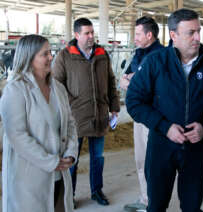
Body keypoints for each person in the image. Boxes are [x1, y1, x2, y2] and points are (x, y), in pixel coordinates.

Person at [126, 9, 203, 212]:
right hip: (161, 146)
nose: (197, 38)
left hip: (196, 148)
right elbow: (134, 101)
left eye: (198, 31)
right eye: (190, 32)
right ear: (173, 35)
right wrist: (164, 127)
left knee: (192, 206)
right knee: (156, 205)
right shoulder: (156, 62)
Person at [0, 34, 78, 212]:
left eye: (51, 52)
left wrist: (71, 153)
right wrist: (50, 162)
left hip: (60, 173)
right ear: (29, 58)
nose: (51, 57)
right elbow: (17, 136)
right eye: (45, 54)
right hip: (29, 178)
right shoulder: (15, 90)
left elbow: (71, 123)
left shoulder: (58, 88)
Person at [52, 18, 121, 207]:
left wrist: (114, 107)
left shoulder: (101, 54)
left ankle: (96, 191)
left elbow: (111, 81)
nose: (91, 36)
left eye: (92, 32)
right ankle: (69, 195)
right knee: (72, 159)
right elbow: (56, 86)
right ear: (76, 35)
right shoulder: (65, 56)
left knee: (97, 158)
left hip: (99, 116)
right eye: (87, 33)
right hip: (75, 119)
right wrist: (67, 109)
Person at [120, 16, 164, 212]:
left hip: (154, 116)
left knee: (153, 161)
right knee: (140, 159)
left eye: (138, 34)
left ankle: (155, 203)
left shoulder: (163, 56)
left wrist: (132, 82)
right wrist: (131, 81)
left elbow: (153, 87)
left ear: (149, 34)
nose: (135, 37)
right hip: (139, 115)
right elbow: (124, 79)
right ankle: (145, 199)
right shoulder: (138, 54)